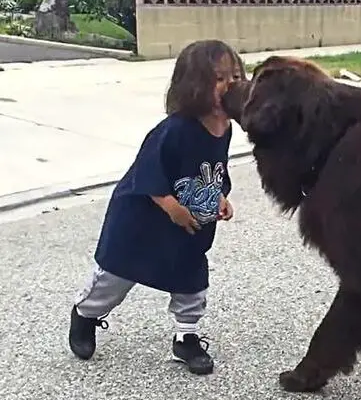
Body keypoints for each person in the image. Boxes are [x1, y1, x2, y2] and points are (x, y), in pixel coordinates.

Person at [68, 39, 246, 375]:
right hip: (142, 223)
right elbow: (148, 171)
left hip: (188, 225)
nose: (229, 86)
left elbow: (214, 169)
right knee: (114, 278)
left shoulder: (224, 129)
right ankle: (85, 315)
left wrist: (220, 196)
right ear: (193, 85)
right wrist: (169, 205)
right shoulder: (174, 130)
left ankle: (186, 338)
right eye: (219, 78)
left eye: (234, 78)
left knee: (191, 279)